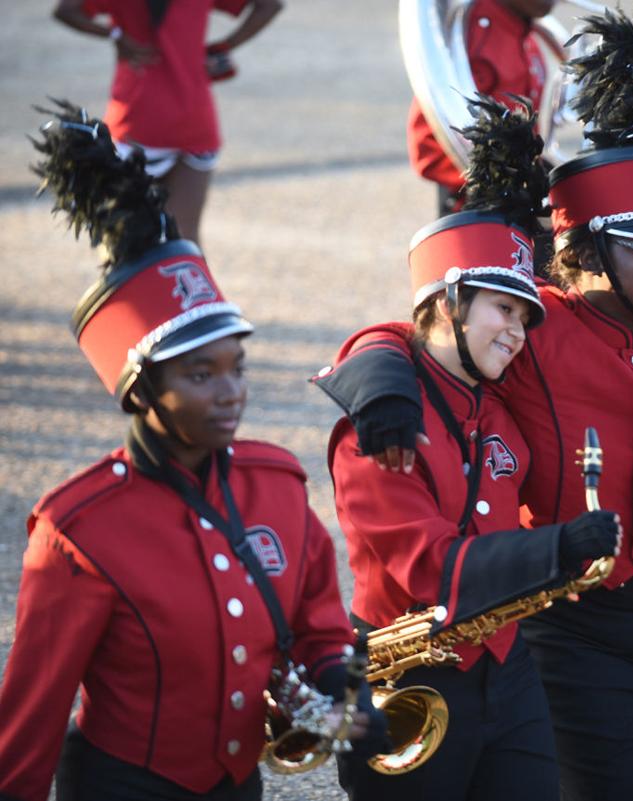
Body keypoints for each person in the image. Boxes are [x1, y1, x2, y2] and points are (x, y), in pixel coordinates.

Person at [324, 10, 633, 801]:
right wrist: (378, 376)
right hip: (572, 634)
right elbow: (427, 328)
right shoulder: (538, 330)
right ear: (587, 248)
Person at [0, 102, 382, 801]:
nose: (230, 392)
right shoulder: (79, 532)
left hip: (236, 784)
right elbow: (29, 722)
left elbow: (318, 624)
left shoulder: (277, 486)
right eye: (200, 375)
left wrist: (337, 682)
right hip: (121, 785)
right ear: (142, 389)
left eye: (236, 367)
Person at [316, 96, 621, 801]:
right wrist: (555, 549)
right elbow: (428, 566)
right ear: (446, 303)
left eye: (524, 316)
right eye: (502, 309)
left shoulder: (499, 408)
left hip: (508, 668)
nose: (517, 331)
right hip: (410, 673)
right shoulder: (380, 425)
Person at [52, 0, 284, 244]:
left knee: (128, 241)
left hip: (136, 123)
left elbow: (66, 11)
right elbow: (270, 5)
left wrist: (115, 35)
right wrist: (224, 47)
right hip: (195, 122)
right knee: (185, 239)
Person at [407, 0, 554, 217]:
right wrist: (503, 184)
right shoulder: (471, 38)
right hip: (476, 215)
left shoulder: (523, 28)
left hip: (524, 208)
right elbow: (427, 147)